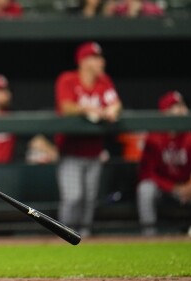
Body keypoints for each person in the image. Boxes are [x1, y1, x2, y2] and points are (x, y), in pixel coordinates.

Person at [55, 41, 122, 237]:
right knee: (73, 197)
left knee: (89, 200)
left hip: (94, 151)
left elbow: (116, 103)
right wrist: (89, 109)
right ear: (84, 61)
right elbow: (66, 107)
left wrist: (112, 110)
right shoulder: (68, 79)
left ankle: (84, 237)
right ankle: (64, 235)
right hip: (71, 151)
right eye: (96, 57)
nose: (101, 62)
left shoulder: (104, 81)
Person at [137, 91, 191, 237]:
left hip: (185, 187)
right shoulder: (154, 138)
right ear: (165, 112)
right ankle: (149, 236)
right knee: (145, 189)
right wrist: (173, 188)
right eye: (175, 106)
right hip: (162, 188)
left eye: (182, 106)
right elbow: (147, 174)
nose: (181, 110)